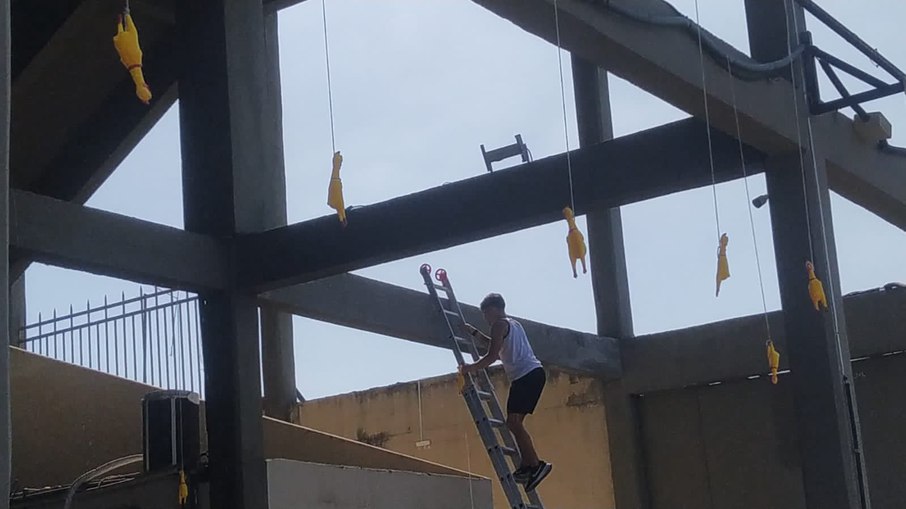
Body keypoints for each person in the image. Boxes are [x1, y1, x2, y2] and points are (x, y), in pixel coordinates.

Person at [461, 293, 552, 492]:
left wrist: (470, 368)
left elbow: (493, 355)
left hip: (525, 376)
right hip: (530, 375)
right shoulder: (513, 324)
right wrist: (474, 333)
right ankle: (529, 465)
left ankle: (536, 465)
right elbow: (494, 345)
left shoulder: (499, 325)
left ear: (493, 309)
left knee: (513, 423)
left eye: (486, 314)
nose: (486, 318)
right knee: (515, 423)